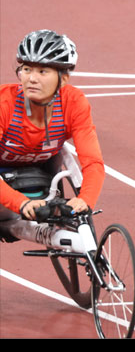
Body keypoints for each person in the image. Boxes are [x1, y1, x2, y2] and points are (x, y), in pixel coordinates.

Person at [0, 30, 104, 240]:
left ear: (63, 78)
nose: (32, 79)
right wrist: (20, 203)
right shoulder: (4, 103)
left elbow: (92, 162)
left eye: (42, 72)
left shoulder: (73, 102)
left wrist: (85, 200)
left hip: (40, 175)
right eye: (27, 69)